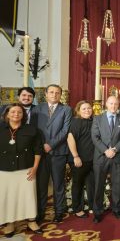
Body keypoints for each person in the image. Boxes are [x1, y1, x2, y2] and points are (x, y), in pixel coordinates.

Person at [0, 104, 43, 237]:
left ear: (23, 115)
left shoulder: (32, 130)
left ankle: (31, 221)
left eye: (19, 112)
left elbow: (37, 150)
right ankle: (10, 223)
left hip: (26, 168)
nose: (16, 114)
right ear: (7, 114)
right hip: (4, 169)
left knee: (28, 197)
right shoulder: (0, 129)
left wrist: (35, 167)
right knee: (8, 197)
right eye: (12, 112)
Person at [32, 84, 72, 223]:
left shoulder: (66, 109)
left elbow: (65, 130)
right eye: (51, 92)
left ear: (61, 95)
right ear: (46, 93)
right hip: (41, 153)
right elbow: (34, 130)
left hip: (58, 152)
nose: (54, 95)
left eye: (57, 93)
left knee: (58, 184)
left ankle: (59, 211)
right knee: (41, 185)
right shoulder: (37, 109)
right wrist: (42, 146)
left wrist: (51, 144)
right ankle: (40, 213)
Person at [91, 96, 120, 223]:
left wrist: (115, 150)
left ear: (119, 105)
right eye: (111, 103)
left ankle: (117, 209)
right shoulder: (97, 119)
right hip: (101, 157)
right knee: (98, 185)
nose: (113, 106)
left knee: (117, 185)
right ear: (106, 104)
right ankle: (97, 212)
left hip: (117, 157)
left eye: (116, 104)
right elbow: (95, 137)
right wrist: (106, 150)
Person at [67, 100, 95, 218]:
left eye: (89, 108)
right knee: (78, 184)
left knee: (91, 183)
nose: (87, 110)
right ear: (78, 111)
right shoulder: (76, 122)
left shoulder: (94, 121)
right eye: (83, 109)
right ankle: (77, 208)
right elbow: (70, 138)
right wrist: (75, 156)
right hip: (79, 159)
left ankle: (92, 206)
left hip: (92, 159)